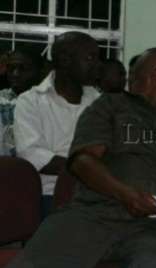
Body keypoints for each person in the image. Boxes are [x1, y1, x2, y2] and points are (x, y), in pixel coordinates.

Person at [7, 47, 156, 268]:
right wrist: (125, 195)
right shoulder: (111, 105)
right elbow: (82, 162)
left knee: (153, 260)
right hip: (95, 213)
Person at [13, 31, 101, 217]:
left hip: (97, 192)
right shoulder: (30, 101)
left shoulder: (98, 101)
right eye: (90, 58)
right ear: (65, 60)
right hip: (49, 194)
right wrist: (89, 169)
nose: (97, 65)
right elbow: (33, 155)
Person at [0, 49, 44, 156]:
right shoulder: (2, 98)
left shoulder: (47, 102)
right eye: (11, 68)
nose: (15, 74)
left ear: (39, 71)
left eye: (23, 69)